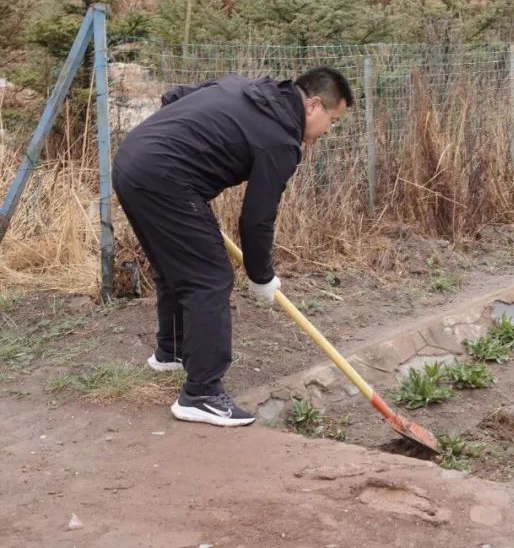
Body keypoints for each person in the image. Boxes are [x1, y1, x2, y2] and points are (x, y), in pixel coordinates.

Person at [113, 67, 353, 426]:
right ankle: (201, 394)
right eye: (332, 121)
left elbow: (174, 97)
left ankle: (172, 351)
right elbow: (257, 218)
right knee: (209, 278)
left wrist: (175, 146)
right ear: (313, 105)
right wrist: (261, 276)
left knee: (175, 264)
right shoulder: (282, 139)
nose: (329, 131)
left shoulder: (245, 87)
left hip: (133, 159)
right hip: (163, 176)